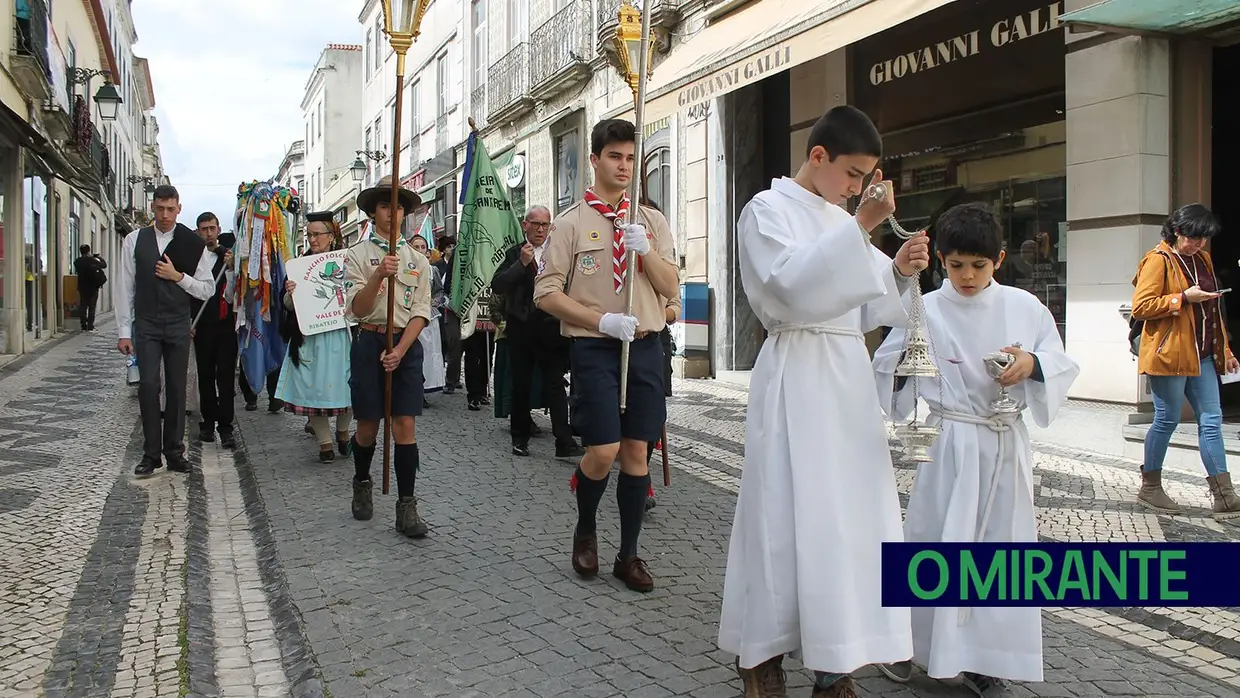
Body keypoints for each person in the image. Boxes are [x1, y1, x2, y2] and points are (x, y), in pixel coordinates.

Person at [716, 105, 929, 697]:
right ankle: (763, 654)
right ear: (818, 157)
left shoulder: (840, 218)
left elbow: (866, 304)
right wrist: (859, 226)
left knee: (846, 520)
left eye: (866, 177)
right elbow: (787, 290)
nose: (858, 187)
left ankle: (836, 660)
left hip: (845, 377)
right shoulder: (766, 210)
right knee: (782, 515)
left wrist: (901, 272)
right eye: (853, 173)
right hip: (797, 373)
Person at [872, 202, 1080, 694]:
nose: (967, 276)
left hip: (1003, 442)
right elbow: (886, 367)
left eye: (979, 266)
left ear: (999, 260)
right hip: (949, 444)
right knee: (935, 540)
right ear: (941, 260)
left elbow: (1059, 361)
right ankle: (914, 645)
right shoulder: (924, 308)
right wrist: (907, 363)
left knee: (998, 547)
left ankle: (988, 657)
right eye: (957, 265)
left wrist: (1031, 363)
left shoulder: (1024, 307)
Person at [534, 118, 680, 593]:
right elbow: (547, 293)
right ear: (594, 160)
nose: (624, 166)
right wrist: (600, 320)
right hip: (596, 347)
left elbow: (671, 287)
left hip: (645, 347)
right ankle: (586, 525)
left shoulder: (651, 221)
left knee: (637, 449)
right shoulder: (571, 223)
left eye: (631, 158)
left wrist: (647, 252)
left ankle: (629, 554)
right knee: (603, 450)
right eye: (614, 156)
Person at [1131, 203, 1240, 519]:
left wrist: (1227, 352)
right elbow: (1142, 307)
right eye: (1194, 238)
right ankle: (1150, 488)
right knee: (1167, 419)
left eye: (1204, 239)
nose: (1199, 244)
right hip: (1170, 354)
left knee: (1211, 419)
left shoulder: (1202, 258)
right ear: (1177, 231)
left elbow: (1214, 310)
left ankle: (1224, 495)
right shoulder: (1158, 260)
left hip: (1203, 353)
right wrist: (1182, 299)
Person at [344, 175, 433, 538]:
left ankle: (407, 506)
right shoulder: (357, 256)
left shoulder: (418, 260)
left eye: (397, 206)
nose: (392, 213)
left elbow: (422, 312)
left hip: (404, 347)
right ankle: (362, 480)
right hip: (368, 343)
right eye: (384, 205)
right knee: (368, 426)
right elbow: (358, 309)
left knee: (404, 426)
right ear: (372, 213)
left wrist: (400, 349)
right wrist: (379, 275)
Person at [113, 184, 218, 477]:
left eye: (171, 209)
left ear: (179, 208)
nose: (165, 215)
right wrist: (124, 330)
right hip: (145, 324)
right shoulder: (134, 240)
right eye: (160, 209)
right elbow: (125, 287)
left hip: (177, 323)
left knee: (176, 388)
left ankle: (174, 452)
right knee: (148, 386)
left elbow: (206, 289)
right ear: (152, 207)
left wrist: (179, 277)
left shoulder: (191, 243)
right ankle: (150, 454)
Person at [492, 204, 582, 459]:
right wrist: (521, 264)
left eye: (545, 224)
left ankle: (563, 441)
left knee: (555, 386)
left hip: (551, 330)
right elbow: (497, 285)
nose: (541, 229)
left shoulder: (558, 252)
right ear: (525, 225)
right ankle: (519, 438)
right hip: (521, 331)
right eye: (536, 224)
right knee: (521, 386)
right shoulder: (514, 254)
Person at [275, 212, 353, 462]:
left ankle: (343, 433)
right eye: (309, 234)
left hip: (342, 334)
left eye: (317, 234)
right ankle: (325, 443)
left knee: (346, 385)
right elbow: (287, 306)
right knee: (315, 387)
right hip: (311, 337)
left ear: (331, 236)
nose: (312, 239)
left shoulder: (348, 262)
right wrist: (290, 294)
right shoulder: (299, 266)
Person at [188, 212, 238, 448]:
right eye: (203, 229)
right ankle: (208, 424)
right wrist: (190, 322)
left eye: (212, 228)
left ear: (218, 230)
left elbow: (232, 297)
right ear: (198, 231)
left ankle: (226, 428)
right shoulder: (192, 258)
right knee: (205, 377)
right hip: (202, 326)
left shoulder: (228, 258)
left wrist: (229, 270)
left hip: (225, 326)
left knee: (226, 379)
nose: (208, 233)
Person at [73, 244, 107, 331]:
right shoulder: (92, 261)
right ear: (88, 251)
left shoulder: (77, 262)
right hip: (93, 287)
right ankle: (90, 325)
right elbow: (104, 265)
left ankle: (83, 325)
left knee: (83, 306)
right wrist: (98, 257)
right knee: (92, 307)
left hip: (82, 287)